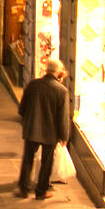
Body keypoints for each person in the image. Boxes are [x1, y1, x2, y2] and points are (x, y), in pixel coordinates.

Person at [17, 61, 70, 200]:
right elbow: (63, 117)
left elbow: (22, 108)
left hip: (32, 129)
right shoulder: (61, 91)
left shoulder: (33, 85)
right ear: (58, 73)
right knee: (47, 162)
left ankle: (23, 189)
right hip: (50, 132)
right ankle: (41, 191)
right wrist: (64, 136)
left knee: (28, 159)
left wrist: (28, 120)